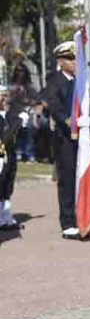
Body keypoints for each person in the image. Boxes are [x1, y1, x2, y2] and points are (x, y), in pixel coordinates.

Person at [43, 42, 79, 239]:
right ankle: (67, 222)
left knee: (79, 177)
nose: (74, 63)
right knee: (66, 179)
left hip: (80, 136)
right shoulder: (55, 81)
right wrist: (70, 122)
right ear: (61, 62)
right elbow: (55, 107)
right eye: (71, 59)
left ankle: (78, 215)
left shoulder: (78, 81)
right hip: (64, 137)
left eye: (75, 59)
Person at [0, 88, 21, 230]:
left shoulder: (9, 114)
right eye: (1, 96)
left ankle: (6, 215)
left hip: (10, 154)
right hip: (1, 154)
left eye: (5, 96)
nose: (4, 99)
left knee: (8, 185)